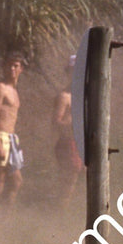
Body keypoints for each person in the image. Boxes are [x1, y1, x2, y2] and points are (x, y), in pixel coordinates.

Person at [0, 51, 26, 208]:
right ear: (4, 67)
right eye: (9, 65)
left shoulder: (15, 91)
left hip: (12, 139)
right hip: (1, 137)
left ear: (21, 69)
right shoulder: (0, 88)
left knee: (16, 181)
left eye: (15, 66)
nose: (12, 69)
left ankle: (5, 218)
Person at [52, 54, 84, 204]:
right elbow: (56, 122)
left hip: (81, 143)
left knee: (82, 181)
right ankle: (60, 212)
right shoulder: (64, 96)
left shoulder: (85, 96)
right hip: (68, 143)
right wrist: (74, 123)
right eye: (74, 71)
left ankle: (73, 211)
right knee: (68, 183)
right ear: (69, 72)